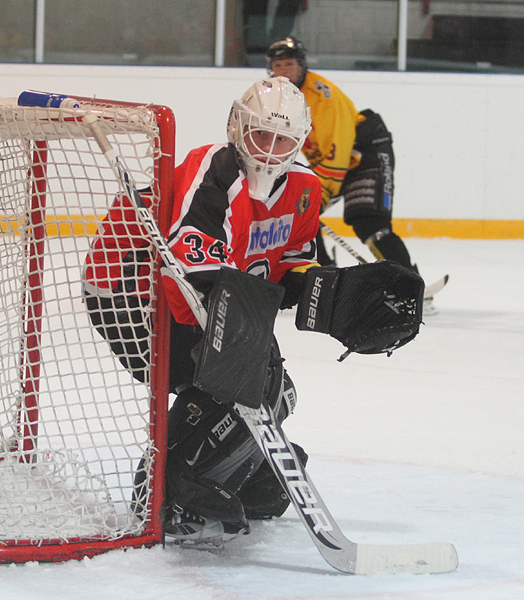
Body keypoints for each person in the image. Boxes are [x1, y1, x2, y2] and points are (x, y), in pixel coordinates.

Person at [82, 77, 423, 545]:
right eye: (260, 134)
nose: (268, 149)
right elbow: (190, 273)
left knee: (274, 388)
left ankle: (238, 469)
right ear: (236, 127)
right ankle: (169, 488)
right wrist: (238, 355)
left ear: (299, 142)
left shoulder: (303, 189)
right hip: (127, 289)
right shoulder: (213, 171)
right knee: (240, 378)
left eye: (282, 139)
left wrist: (335, 296)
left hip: (201, 290)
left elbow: (289, 266)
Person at [265, 37, 437, 312]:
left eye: (290, 64)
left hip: (365, 151)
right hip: (338, 162)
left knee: (370, 224)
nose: (284, 71)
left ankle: (410, 290)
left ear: (302, 65)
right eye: (278, 65)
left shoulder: (322, 97)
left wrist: (317, 195)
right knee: (301, 214)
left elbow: (337, 154)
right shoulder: (280, 98)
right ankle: (322, 278)